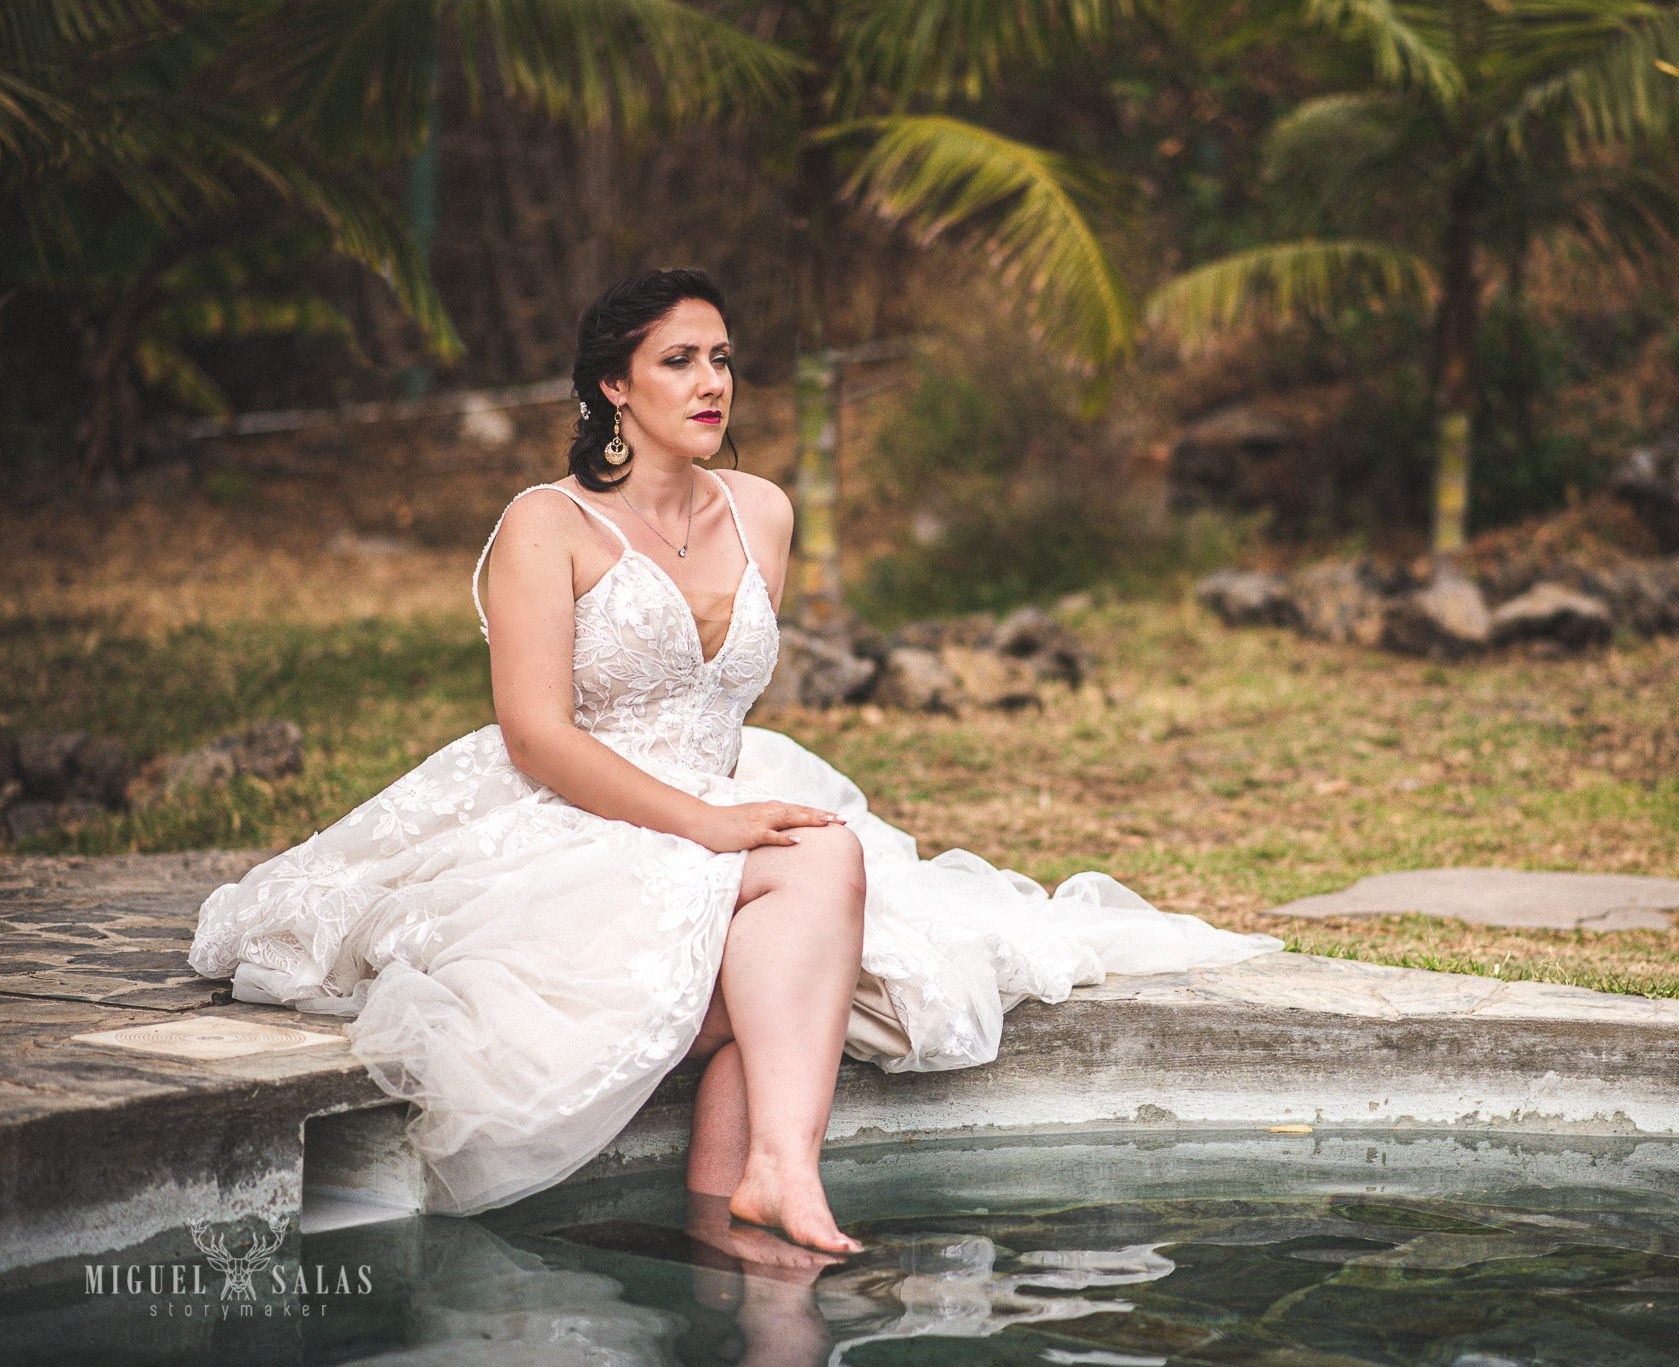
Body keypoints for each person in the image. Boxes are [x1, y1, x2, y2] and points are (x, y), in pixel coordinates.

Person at [187, 268, 1280, 1256]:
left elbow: (718, 701)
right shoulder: (545, 523)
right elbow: (537, 733)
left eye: (721, 360)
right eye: (678, 361)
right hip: (570, 808)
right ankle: (776, 1179)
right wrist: (704, 825)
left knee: (810, 892)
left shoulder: (761, 509)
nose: (711, 382)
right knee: (817, 872)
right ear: (613, 386)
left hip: (724, 782)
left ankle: (745, 1196)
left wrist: (724, 810)